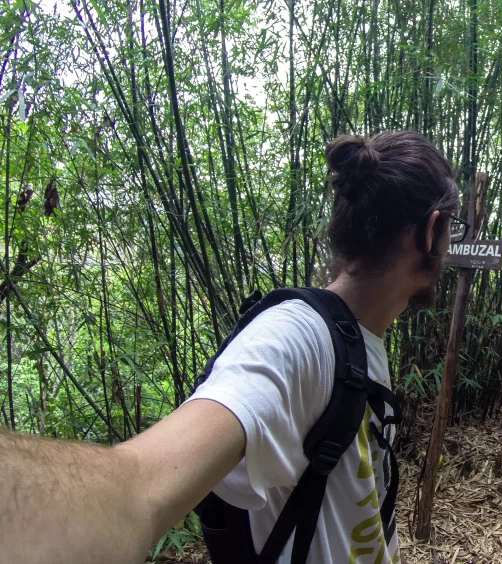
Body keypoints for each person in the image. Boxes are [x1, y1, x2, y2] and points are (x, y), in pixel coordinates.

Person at [0, 130, 462, 564]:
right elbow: (139, 486)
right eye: (452, 228)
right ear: (430, 231)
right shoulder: (296, 338)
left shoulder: (360, 340)